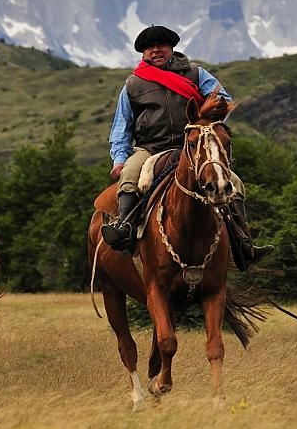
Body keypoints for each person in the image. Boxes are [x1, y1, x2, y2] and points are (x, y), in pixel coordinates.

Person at [101, 24, 273, 268]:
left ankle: (244, 244)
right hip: (150, 148)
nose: (156, 50)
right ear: (143, 53)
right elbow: (122, 127)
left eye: (161, 45)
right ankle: (125, 227)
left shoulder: (195, 73)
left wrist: (205, 116)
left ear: (171, 48)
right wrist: (119, 159)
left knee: (234, 182)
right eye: (150, 47)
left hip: (193, 146)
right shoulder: (133, 84)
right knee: (129, 175)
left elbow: (223, 101)